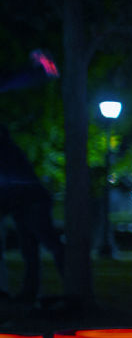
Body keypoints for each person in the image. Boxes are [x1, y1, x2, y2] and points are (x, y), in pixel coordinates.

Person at [0, 125, 66, 303]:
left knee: (45, 243)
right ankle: (31, 291)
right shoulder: (10, 150)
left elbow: (10, 184)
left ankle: (69, 284)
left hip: (29, 202)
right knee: (31, 248)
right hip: (25, 202)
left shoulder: (6, 152)